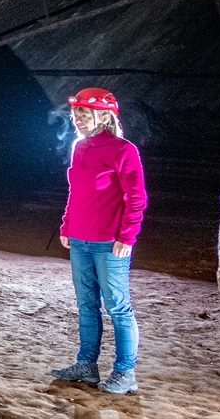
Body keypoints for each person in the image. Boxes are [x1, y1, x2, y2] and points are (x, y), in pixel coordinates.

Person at [50, 87, 148, 395]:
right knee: (87, 305)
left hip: (109, 243)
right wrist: (67, 225)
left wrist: (127, 236)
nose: (78, 121)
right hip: (80, 239)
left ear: (104, 117)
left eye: (84, 115)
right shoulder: (80, 147)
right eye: (76, 115)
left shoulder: (124, 150)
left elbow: (136, 197)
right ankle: (86, 366)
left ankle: (125, 372)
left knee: (118, 307)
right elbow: (77, 192)